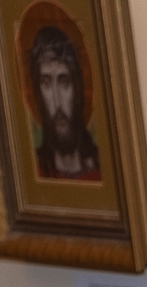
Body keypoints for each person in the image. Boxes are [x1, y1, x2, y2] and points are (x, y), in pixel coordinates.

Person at [28, 24, 101, 182]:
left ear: (78, 89)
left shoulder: (102, 167)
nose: (57, 101)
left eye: (64, 82)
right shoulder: (34, 170)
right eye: (46, 83)